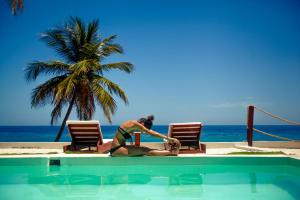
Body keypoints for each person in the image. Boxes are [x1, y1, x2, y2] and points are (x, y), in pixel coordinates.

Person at [110, 115, 181, 156]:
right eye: (144, 127)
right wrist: (168, 138)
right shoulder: (134, 123)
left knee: (143, 148)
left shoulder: (131, 125)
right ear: (142, 123)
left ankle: (168, 151)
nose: (142, 130)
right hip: (116, 150)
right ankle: (172, 152)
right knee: (145, 150)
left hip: (120, 148)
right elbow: (150, 132)